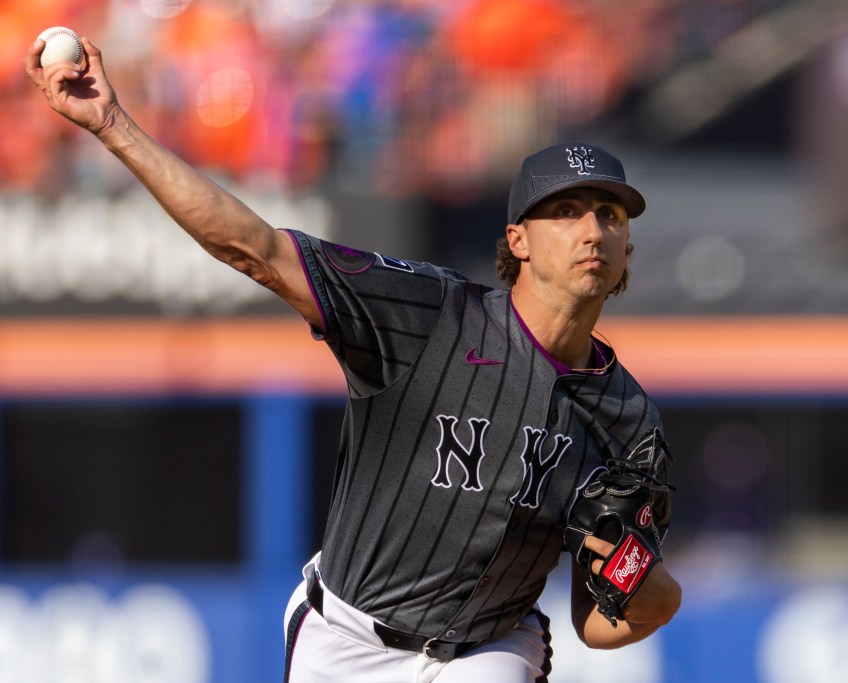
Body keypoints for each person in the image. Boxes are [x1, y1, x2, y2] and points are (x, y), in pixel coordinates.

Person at [26, 36, 682, 683]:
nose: (593, 229)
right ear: (519, 239)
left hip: (490, 647)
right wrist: (113, 125)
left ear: (627, 246)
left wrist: (655, 590)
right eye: (565, 211)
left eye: (610, 214)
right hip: (347, 636)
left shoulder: (628, 421)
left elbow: (598, 622)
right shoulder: (433, 316)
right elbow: (251, 246)